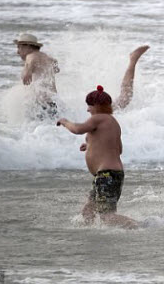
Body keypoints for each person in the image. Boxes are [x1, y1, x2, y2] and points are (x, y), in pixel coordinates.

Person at [56, 86, 137, 229]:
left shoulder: (98, 118)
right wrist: (91, 145)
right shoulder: (112, 122)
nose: (88, 109)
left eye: (90, 106)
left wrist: (64, 122)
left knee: (107, 216)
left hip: (107, 175)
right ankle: (90, 239)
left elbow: (77, 129)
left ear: (98, 106)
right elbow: (118, 149)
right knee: (88, 211)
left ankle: (139, 226)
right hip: (107, 175)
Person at [14, 33, 60, 117]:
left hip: (39, 105)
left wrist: (28, 71)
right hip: (53, 104)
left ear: (27, 46)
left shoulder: (30, 56)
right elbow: (56, 69)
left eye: (19, 47)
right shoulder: (48, 58)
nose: (17, 52)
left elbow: (31, 60)